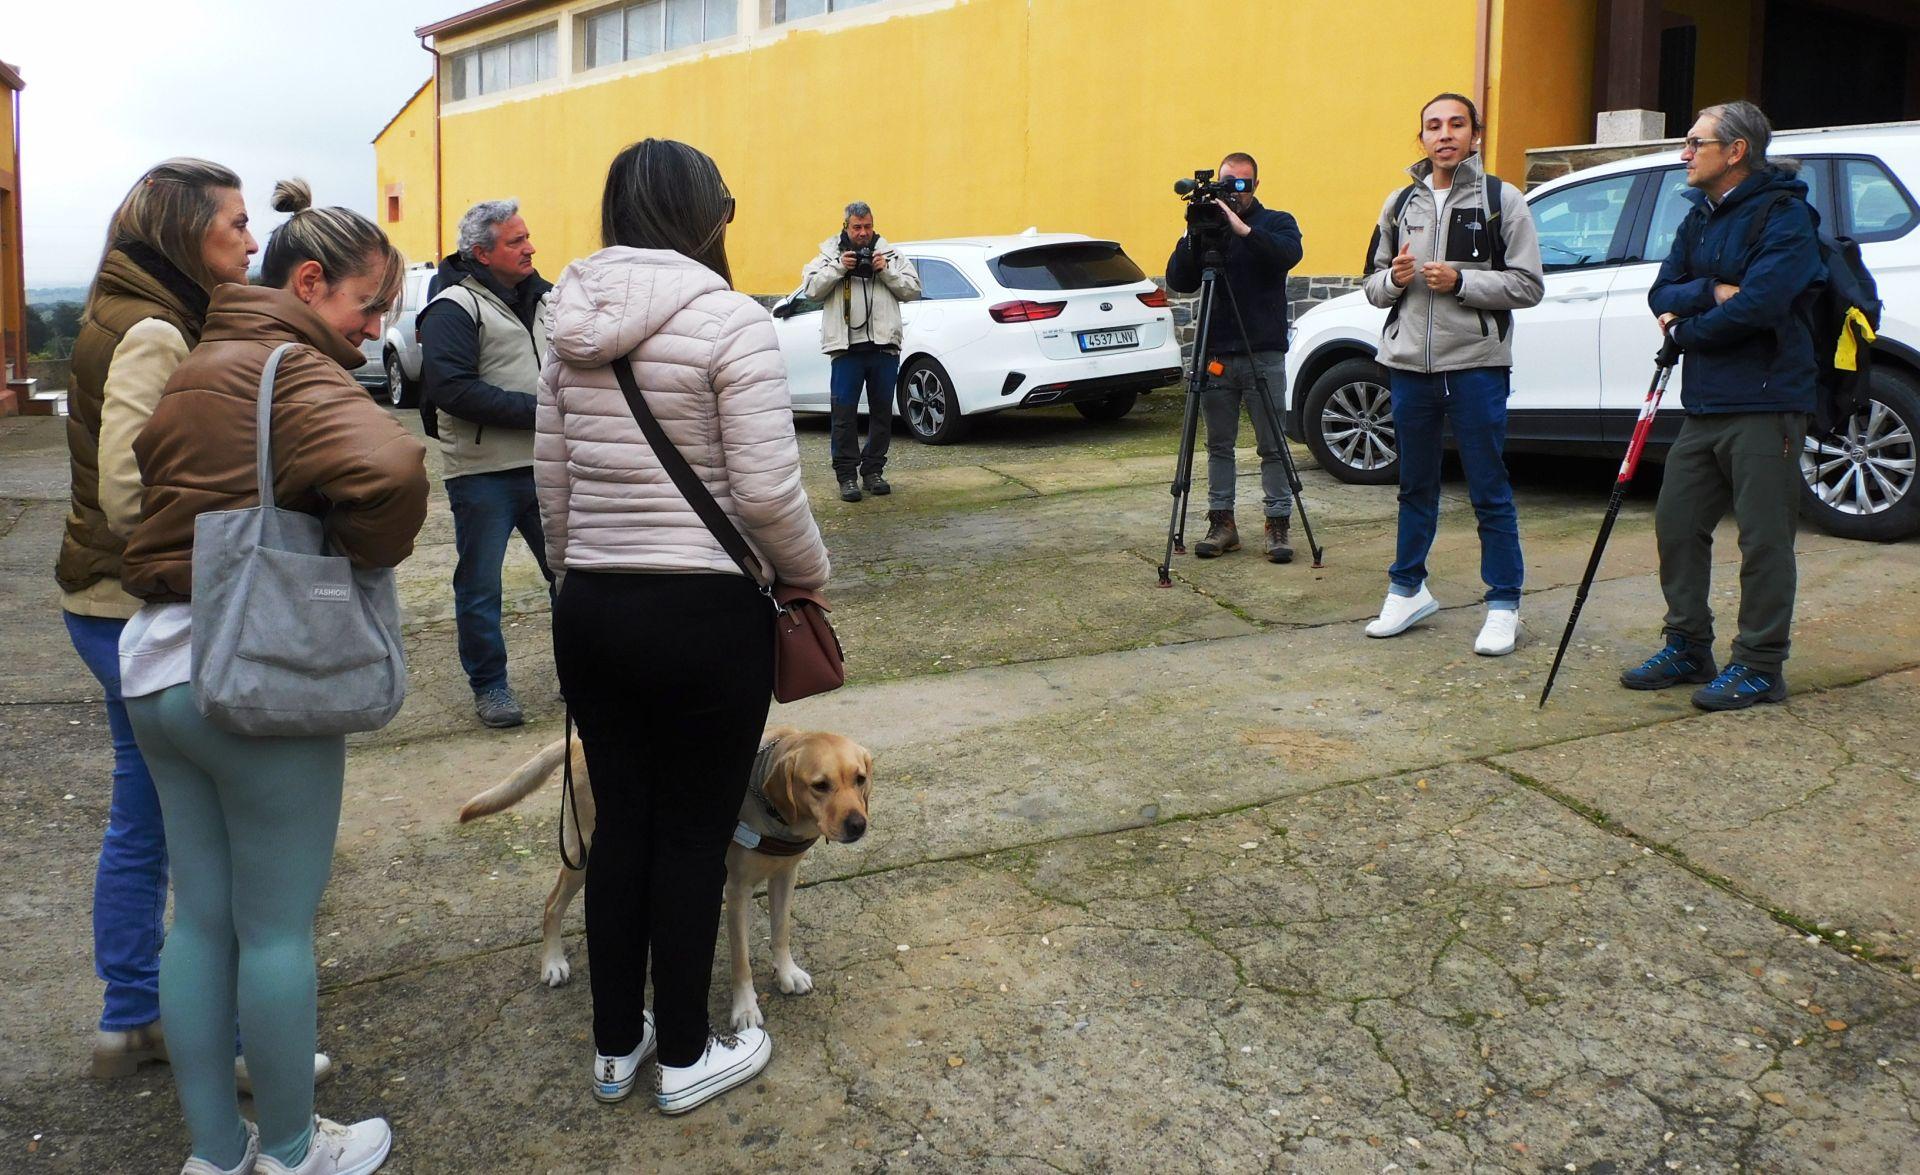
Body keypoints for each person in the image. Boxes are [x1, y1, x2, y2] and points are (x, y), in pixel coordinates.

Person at [118, 180, 427, 1175]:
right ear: (309, 282)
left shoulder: (198, 362)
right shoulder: (294, 366)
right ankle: (294, 1149)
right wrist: (360, 552)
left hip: (156, 665)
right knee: (278, 930)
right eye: (368, 305)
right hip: (255, 672)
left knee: (200, 923)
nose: (373, 329)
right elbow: (392, 471)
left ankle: (217, 1151)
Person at [537, 138, 831, 1115]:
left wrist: (581, 581)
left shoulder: (566, 319)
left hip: (593, 604)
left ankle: (616, 1043)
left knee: (623, 824)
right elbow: (766, 491)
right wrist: (809, 575)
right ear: (706, 215)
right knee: (696, 834)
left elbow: (553, 488)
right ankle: (689, 1051)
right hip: (705, 613)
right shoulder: (731, 318)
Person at [60, 158, 332, 1093]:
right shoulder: (152, 329)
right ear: (185, 231)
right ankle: (235, 1037)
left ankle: (134, 1016)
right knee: (207, 838)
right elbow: (127, 489)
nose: (252, 242)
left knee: (148, 820)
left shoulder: (140, 309)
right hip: (134, 604)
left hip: (108, 601)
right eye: (235, 224)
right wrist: (232, 536)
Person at [1624, 101, 1825, 710]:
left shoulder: (1786, 216)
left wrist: (1685, 329)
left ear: (1736, 151)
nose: (1684, 154)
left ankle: (1761, 664)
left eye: (1696, 143)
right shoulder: (1700, 216)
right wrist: (1711, 290)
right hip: (1705, 404)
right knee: (1677, 523)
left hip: (1767, 401)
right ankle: (1688, 645)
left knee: (1764, 540)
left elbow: (1761, 304)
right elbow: (1661, 290)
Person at [1361, 92, 1544, 655]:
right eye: (1434, 126)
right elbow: (1371, 285)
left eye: (1456, 124)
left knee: (1488, 488)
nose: (1445, 134)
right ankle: (1407, 590)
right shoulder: (1399, 203)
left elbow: (1528, 286)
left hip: (1476, 366)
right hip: (1408, 368)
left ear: (1474, 134)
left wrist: (1462, 282)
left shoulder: (1501, 199)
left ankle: (1504, 605)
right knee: (1415, 486)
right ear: (1421, 138)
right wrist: (1393, 280)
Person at [417, 199, 555, 729]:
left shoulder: (547, 298)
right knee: (481, 587)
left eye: (527, 237)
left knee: (570, 577)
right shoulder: (453, 307)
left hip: (547, 464)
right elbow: (452, 390)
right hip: (482, 473)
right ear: (481, 252)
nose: (530, 248)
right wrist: (540, 412)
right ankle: (490, 686)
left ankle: (578, 673)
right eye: (516, 241)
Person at [1165, 151, 1305, 563]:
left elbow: (1287, 255)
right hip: (1216, 354)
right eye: (1227, 183)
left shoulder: (1276, 222)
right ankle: (1222, 523)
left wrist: (1242, 229)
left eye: (1242, 184)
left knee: (1273, 445)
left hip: (1263, 352)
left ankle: (1277, 524)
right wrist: (1194, 234)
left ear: (1255, 186)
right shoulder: (1208, 228)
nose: (1234, 192)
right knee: (1218, 445)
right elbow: (1179, 280)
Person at [799, 201, 921, 502]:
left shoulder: (890, 255)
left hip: (884, 347)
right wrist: (840, 267)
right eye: (857, 227)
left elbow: (913, 290)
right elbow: (811, 289)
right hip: (846, 349)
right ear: (846, 227)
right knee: (843, 415)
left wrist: (886, 271)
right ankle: (846, 477)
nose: (863, 233)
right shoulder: (829, 255)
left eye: (867, 226)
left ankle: (873, 471)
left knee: (882, 414)